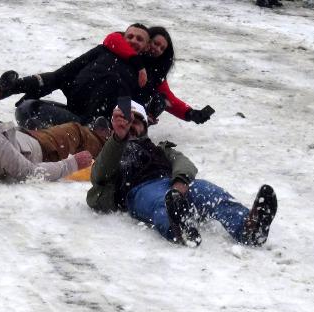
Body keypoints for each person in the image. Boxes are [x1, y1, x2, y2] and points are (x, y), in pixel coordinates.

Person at [86, 101, 278, 247]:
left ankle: (249, 227)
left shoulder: (159, 148)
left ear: (145, 127)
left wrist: (180, 182)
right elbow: (98, 175)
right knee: (161, 203)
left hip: (173, 182)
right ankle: (179, 228)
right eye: (127, 122)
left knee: (210, 192)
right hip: (139, 190)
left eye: (136, 122)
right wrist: (118, 138)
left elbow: (183, 162)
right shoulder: (112, 149)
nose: (131, 126)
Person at [0, 24, 151, 128]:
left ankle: (91, 135)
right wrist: (19, 85)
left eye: (139, 39)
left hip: (105, 125)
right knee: (27, 107)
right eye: (129, 37)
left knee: (113, 85)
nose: (133, 41)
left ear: (146, 47)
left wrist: (139, 117)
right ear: (122, 38)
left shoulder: (142, 74)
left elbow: (134, 104)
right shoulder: (102, 51)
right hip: (74, 118)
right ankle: (45, 139)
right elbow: (61, 75)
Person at [102, 27, 214, 124]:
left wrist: (190, 113)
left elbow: (168, 98)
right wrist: (137, 63)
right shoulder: (132, 43)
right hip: (105, 92)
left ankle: (134, 127)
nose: (157, 49)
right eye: (155, 43)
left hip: (127, 107)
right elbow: (112, 38)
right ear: (147, 39)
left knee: (160, 100)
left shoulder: (155, 71)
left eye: (162, 49)